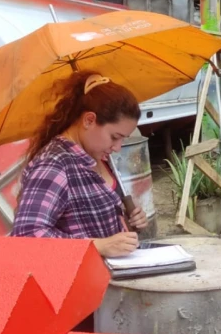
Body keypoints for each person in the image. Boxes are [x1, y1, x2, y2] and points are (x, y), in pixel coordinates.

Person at [12, 71, 147, 259]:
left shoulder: (96, 157)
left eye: (123, 139)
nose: (117, 148)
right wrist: (97, 245)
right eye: (115, 137)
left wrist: (128, 221)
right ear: (89, 120)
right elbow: (26, 236)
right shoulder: (54, 166)